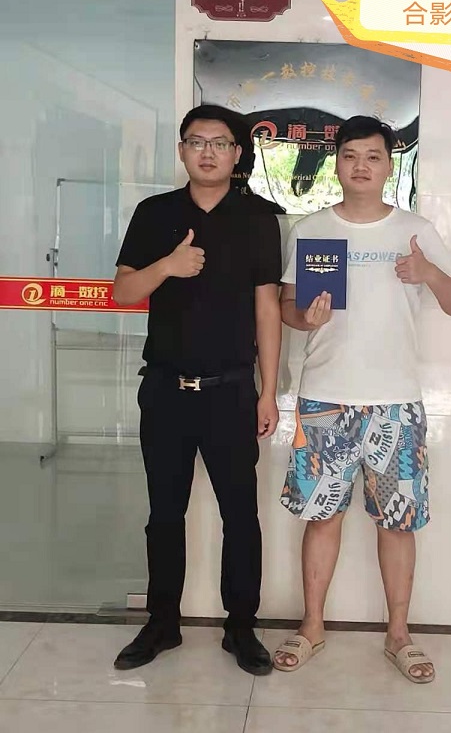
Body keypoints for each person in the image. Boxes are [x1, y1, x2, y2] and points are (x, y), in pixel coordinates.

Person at [273, 115, 451, 683]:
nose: (361, 165)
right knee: (321, 517)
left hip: (395, 402)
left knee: (398, 523)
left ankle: (399, 634)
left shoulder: (415, 230)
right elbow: (288, 307)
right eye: (350, 155)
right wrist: (304, 318)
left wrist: (428, 272)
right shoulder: (312, 228)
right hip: (325, 399)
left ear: (390, 165)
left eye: (373, 156)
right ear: (336, 163)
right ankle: (312, 626)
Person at [112, 104, 282, 676]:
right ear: (182, 150)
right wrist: (168, 265)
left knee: (241, 514)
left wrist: (267, 391)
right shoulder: (154, 213)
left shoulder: (258, 218)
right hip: (165, 389)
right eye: (196, 141)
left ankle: (241, 627)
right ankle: (162, 623)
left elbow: (267, 308)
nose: (208, 152)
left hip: (231, 391)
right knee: (165, 513)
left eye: (220, 142)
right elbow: (124, 291)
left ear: (238, 154)